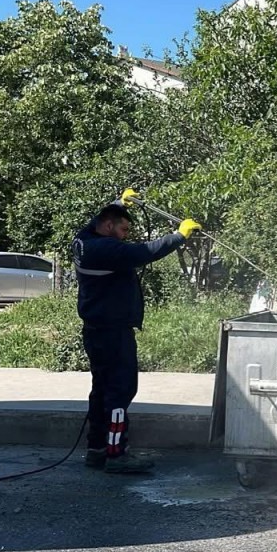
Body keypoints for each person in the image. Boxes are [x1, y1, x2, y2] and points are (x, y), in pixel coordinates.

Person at [72, 189, 201, 473]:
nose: (126, 234)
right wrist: (179, 236)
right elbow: (146, 252)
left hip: (96, 330)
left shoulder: (83, 239)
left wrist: (120, 203)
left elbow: (98, 219)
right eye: (123, 228)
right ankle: (117, 454)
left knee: (101, 391)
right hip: (113, 333)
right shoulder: (105, 249)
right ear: (108, 226)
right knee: (120, 392)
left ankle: (97, 450)